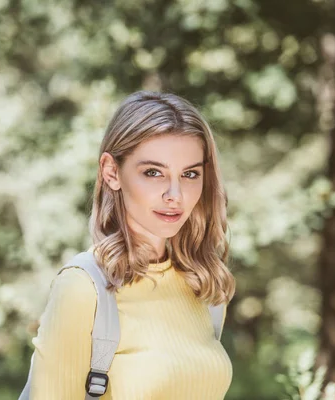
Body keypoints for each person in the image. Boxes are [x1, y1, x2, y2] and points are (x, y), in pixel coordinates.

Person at [28, 91, 236, 399]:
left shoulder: (205, 286)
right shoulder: (83, 288)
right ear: (112, 172)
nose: (174, 195)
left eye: (190, 174)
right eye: (153, 173)